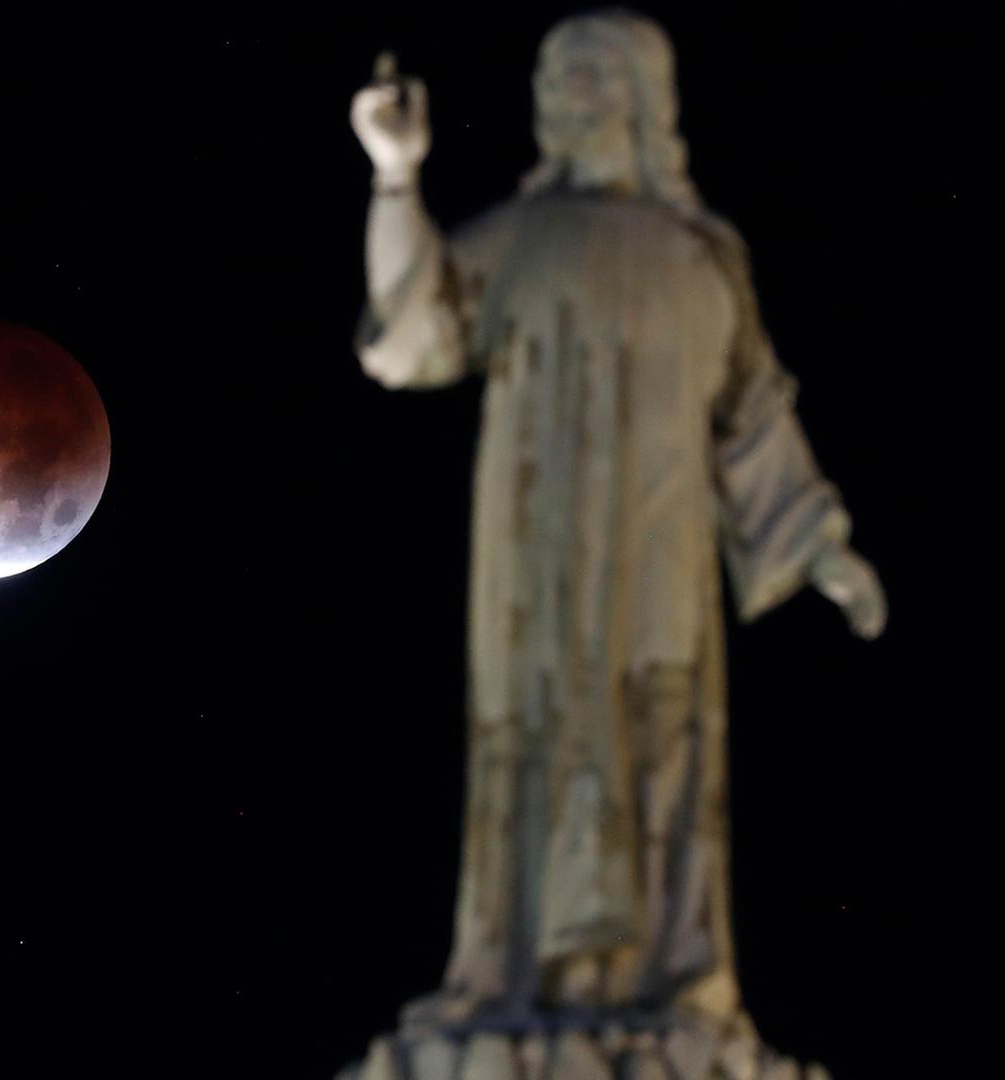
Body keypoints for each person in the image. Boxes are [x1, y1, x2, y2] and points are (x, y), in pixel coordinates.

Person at [349, 8, 887, 1035]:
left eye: (592, 76)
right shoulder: (522, 237)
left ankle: (674, 981)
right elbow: (410, 332)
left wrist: (824, 547)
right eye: (554, 77)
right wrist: (394, 175)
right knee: (533, 736)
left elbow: (753, 410)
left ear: (645, 99)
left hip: (660, 553)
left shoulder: (701, 253)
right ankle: (514, 978)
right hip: (536, 559)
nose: (567, 96)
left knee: (667, 732)